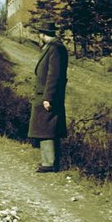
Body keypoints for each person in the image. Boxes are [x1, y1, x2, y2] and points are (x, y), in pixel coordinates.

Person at [28, 20, 68, 173]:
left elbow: (54, 75)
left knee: (47, 129)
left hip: (47, 95)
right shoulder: (54, 48)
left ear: (43, 34)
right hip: (45, 94)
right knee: (46, 128)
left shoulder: (54, 49)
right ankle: (49, 162)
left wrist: (48, 97)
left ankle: (49, 163)